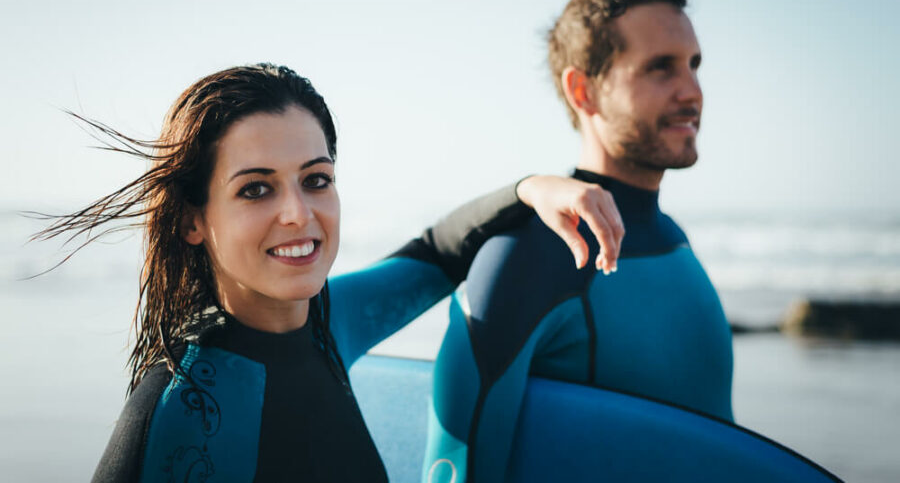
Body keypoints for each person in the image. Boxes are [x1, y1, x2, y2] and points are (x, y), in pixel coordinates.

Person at [33, 64, 624, 482]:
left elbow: (440, 252)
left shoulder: (329, 323)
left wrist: (536, 187)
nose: (298, 214)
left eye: (316, 179)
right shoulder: (182, 408)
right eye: (256, 189)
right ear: (194, 220)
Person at [423, 0, 734, 483]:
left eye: (694, 65)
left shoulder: (673, 238)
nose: (692, 92)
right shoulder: (530, 255)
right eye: (660, 68)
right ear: (582, 90)